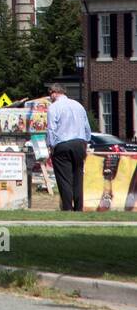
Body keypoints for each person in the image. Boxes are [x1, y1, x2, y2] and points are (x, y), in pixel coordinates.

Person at [46, 82, 91, 212]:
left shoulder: (54, 107)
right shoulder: (78, 105)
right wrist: (86, 143)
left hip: (62, 144)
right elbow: (87, 127)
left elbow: (51, 129)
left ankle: (67, 208)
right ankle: (78, 208)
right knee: (78, 177)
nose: (50, 97)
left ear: (54, 93)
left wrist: (51, 146)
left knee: (64, 178)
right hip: (79, 143)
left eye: (50, 94)